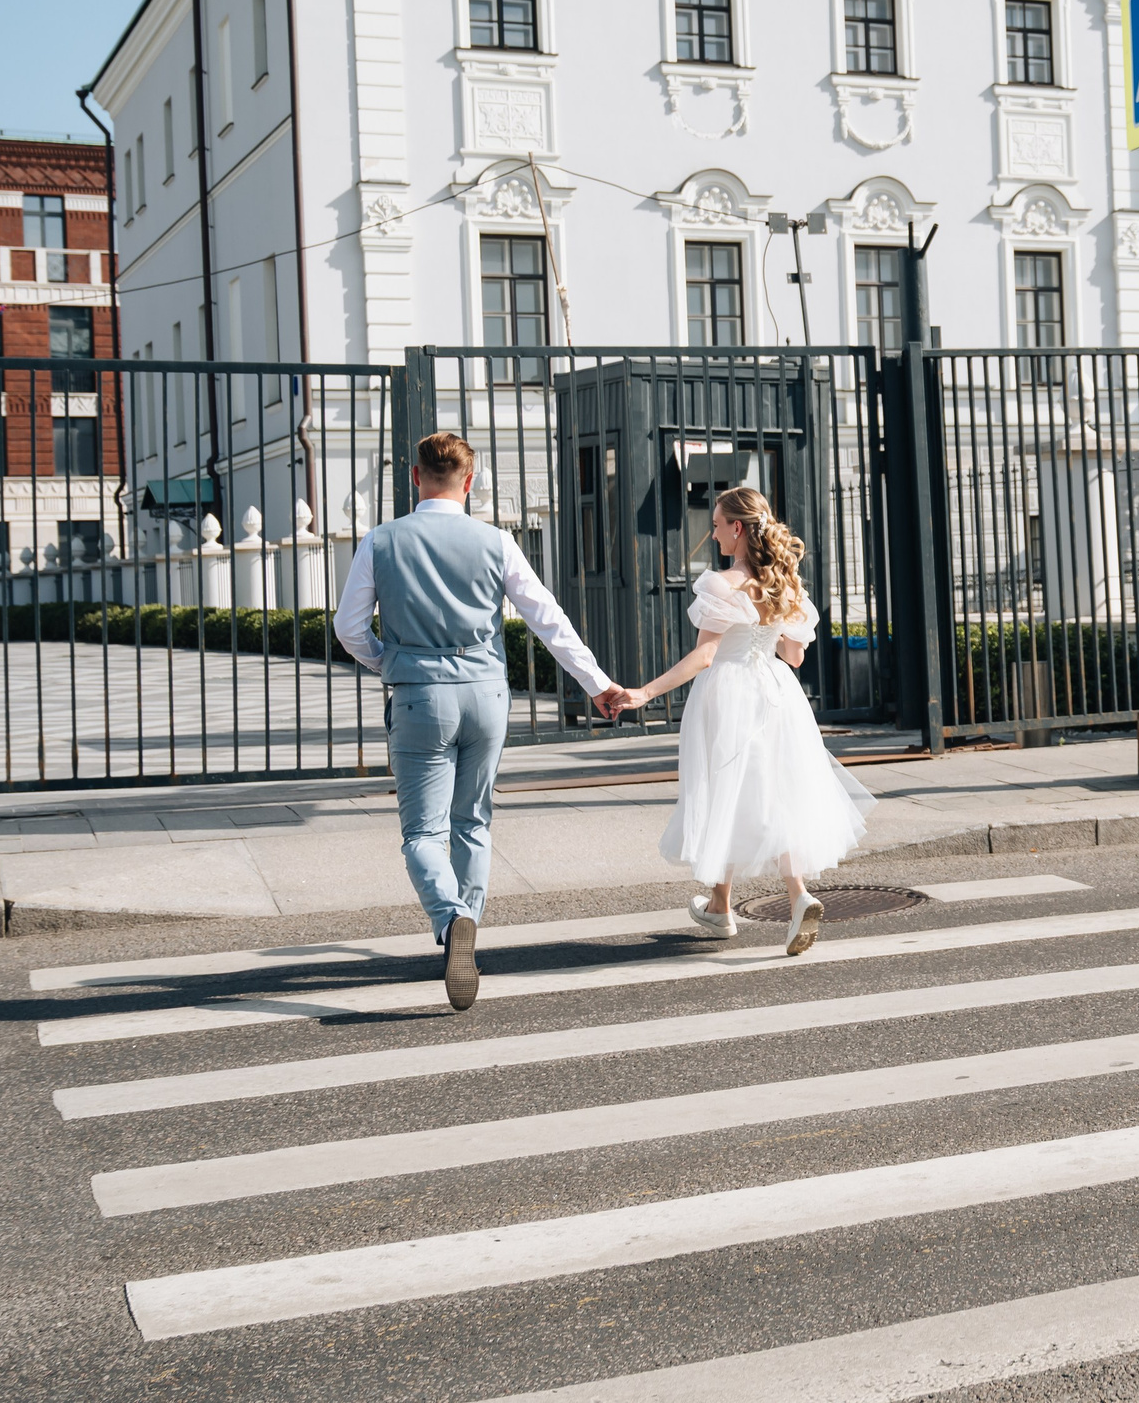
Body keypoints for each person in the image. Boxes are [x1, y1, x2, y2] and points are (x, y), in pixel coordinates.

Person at [334, 432, 626, 1010]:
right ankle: (467, 926)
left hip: (419, 695)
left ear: (415, 478)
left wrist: (388, 660)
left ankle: (450, 919)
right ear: (469, 483)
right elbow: (548, 618)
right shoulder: (497, 541)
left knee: (423, 832)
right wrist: (598, 685)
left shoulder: (381, 541)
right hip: (487, 696)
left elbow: (348, 627)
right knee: (474, 821)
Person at [605, 486, 869, 955]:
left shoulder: (721, 584)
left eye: (717, 524)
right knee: (773, 792)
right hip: (776, 692)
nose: (713, 533)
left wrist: (644, 692)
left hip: (728, 693)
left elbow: (706, 656)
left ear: (738, 528)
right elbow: (793, 654)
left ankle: (747, 904)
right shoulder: (784, 583)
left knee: (725, 791)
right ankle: (754, 902)